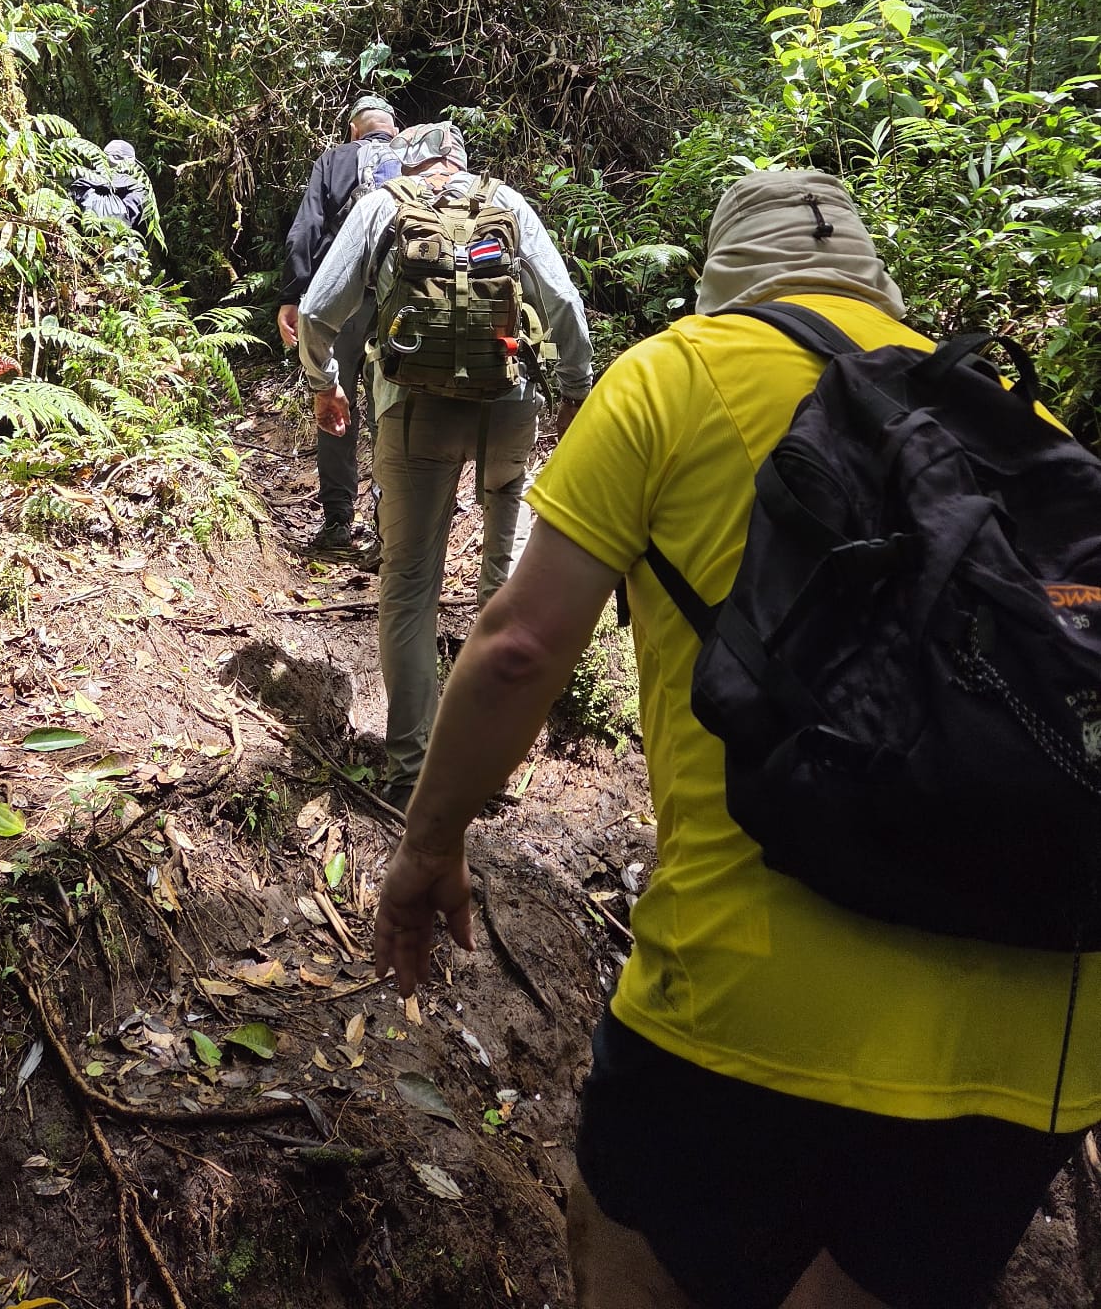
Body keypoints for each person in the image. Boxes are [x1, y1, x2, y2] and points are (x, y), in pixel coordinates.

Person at [371, 168, 1101, 1309]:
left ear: (720, 282)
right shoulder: (1016, 417)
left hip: (751, 1000)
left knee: (627, 1252)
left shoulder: (675, 373)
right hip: (1042, 1027)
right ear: (876, 279)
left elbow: (517, 648)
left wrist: (427, 844)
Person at [299, 121, 593, 808]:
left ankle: (409, 769)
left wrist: (325, 383)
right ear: (461, 162)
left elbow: (317, 310)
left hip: (413, 409)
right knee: (504, 580)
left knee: (409, 585)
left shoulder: (382, 205)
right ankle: (483, 761)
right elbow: (565, 305)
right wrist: (576, 390)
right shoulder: (508, 203)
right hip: (507, 405)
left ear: (408, 162)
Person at [277, 94, 401, 553]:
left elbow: (306, 228)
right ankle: (392, 528)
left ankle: (337, 524)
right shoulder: (417, 159)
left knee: (333, 402)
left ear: (353, 129)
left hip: (341, 304)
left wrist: (293, 295)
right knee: (393, 411)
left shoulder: (335, 159)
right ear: (391, 126)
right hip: (401, 305)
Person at [69, 139, 152, 235]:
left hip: (85, 245)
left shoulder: (81, 184)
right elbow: (143, 230)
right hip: (121, 246)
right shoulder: (138, 190)